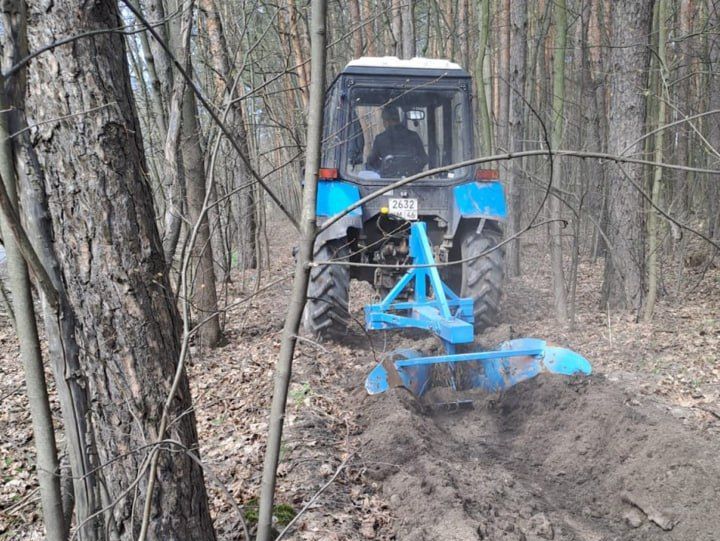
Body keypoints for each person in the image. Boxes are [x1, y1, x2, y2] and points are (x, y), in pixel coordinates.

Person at [366, 106, 428, 177]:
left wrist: (383, 165)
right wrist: (413, 165)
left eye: (383, 121)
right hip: (413, 181)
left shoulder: (380, 139)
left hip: (385, 184)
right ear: (398, 119)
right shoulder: (414, 136)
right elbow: (424, 159)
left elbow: (371, 162)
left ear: (386, 121)